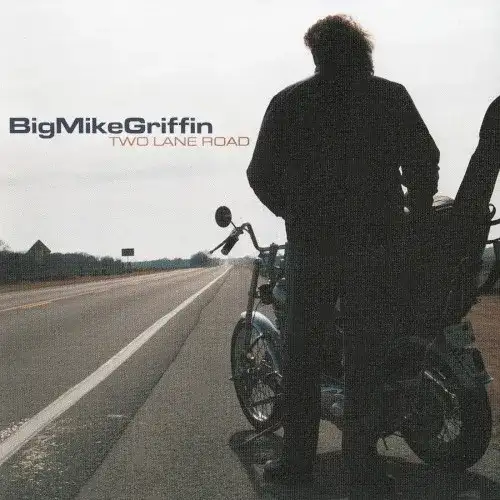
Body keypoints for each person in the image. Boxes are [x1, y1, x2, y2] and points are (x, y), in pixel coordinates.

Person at [246, 14, 439, 499]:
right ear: (361, 50)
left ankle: (297, 464)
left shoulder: (289, 101)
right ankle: (363, 468)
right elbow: (424, 159)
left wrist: (293, 211)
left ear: (316, 53)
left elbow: (258, 173)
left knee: (303, 357)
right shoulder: (389, 96)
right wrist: (415, 214)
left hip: (313, 248)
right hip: (377, 245)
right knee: (366, 361)